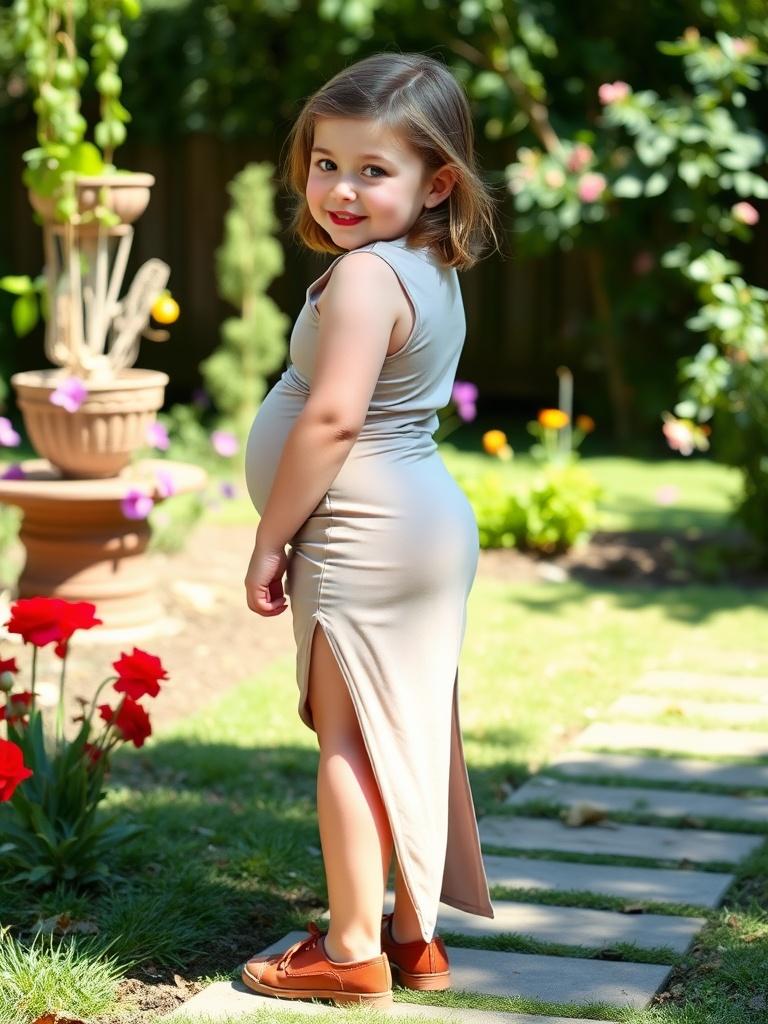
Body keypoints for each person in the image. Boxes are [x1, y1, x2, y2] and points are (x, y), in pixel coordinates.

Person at [241, 50, 501, 1008]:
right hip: (419, 525)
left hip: (365, 529)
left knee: (348, 737)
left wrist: (272, 539)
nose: (341, 189)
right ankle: (411, 933)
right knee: (407, 726)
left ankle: (350, 953)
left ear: (437, 183)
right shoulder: (423, 267)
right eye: (325, 163)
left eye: (372, 169)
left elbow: (333, 419)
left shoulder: (363, 280)